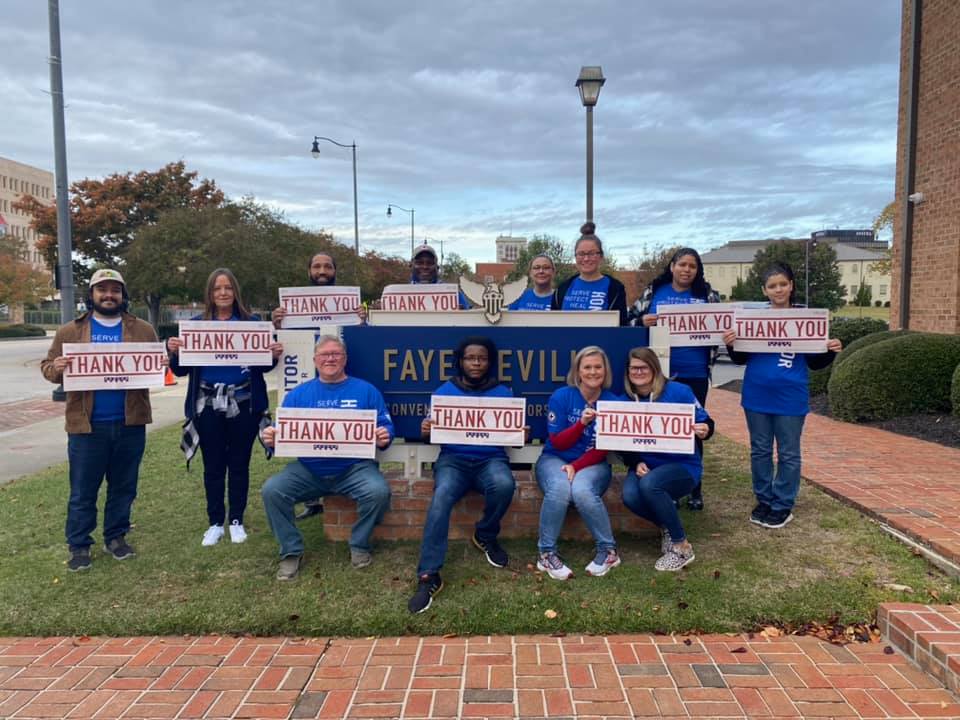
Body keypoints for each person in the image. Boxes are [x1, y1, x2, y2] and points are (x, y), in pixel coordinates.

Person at [41, 269, 163, 571]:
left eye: (115, 290)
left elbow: (154, 365)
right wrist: (56, 367)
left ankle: (116, 537)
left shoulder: (144, 330)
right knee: (83, 490)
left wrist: (162, 363)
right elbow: (48, 368)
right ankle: (79, 545)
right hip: (86, 427)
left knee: (124, 486)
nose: (109, 295)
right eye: (102, 290)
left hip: (130, 423)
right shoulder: (70, 331)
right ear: (91, 295)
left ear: (123, 296)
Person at [260, 335, 394, 581]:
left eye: (336, 354)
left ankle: (360, 544)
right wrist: (270, 437)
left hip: (355, 468)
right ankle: (291, 551)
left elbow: (386, 424)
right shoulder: (298, 394)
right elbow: (280, 432)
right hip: (309, 468)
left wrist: (385, 433)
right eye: (324, 354)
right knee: (272, 490)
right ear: (315, 360)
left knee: (378, 492)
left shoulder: (366, 390)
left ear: (345, 359)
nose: (330, 358)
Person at [167, 268, 282, 547]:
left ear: (235, 292)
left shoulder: (251, 323)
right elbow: (181, 371)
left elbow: (263, 366)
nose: (222, 293)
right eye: (217, 288)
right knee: (213, 465)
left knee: (239, 463)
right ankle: (216, 521)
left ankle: (236, 520)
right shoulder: (196, 326)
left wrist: (273, 353)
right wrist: (174, 353)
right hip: (206, 404)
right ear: (210, 293)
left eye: (228, 288)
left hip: (244, 402)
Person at [722, 263, 842, 529]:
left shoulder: (805, 319)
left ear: (791, 286)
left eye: (783, 284)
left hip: (790, 395)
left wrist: (831, 350)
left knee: (788, 453)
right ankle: (764, 499)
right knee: (760, 450)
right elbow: (741, 357)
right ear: (765, 290)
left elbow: (814, 362)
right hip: (756, 395)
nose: (778, 289)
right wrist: (731, 344)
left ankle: (783, 504)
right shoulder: (753, 319)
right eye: (772, 286)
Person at [408, 336, 518, 613]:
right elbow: (430, 434)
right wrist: (425, 431)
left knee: (505, 484)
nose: (476, 363)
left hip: (489, 459)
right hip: (453, 461)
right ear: (461, 360)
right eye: (471, 358)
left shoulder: (503, 393)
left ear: (489, 362)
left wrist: (520, 433)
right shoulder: (445, 391)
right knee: (442, 496)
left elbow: (513, 437)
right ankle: (429, 574)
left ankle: (485, 535)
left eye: (482, 358)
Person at [270, 251, 365, 522]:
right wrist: (277, 323)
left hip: (339, 373)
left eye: (327, 266)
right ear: (309, 271)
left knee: (337, 427)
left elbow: (363, 337)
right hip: (301, 372)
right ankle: (312, 497)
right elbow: (277, 343)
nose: (322, 270)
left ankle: (346, 481)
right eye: (316, 266)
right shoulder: (292, 306)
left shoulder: (347, 303)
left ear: (335, 271)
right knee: (305, 429)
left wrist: (362, 320)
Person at [631, 247, 720, 510]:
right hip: (659, 373)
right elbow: (628, 319)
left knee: (692, 429)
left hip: (695, 372)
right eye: (682, 264)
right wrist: (641, 322)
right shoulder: (653, 292)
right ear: (672, 266)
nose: (686, 270)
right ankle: (667, 484)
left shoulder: (708, 296)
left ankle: (694, 487)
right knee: (662, 428)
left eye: (692, 266)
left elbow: (725, 325)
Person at [619, 348, 714, 571]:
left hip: (683, 465)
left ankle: (682, 547)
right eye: (634, 368)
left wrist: (705, 429)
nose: (638, 372)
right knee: (630, 496)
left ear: (655, 368)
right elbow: (619, 439)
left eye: (644, 367)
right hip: (647, 464)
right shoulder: (623, 399)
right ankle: (668, 529)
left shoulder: (680, 391)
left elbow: (706, 421)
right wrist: (634, 462)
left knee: (651, 485)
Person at [535, 346, 621, 580]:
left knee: (582, 490)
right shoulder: (562, 396)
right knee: (560, 487)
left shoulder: (613, 401)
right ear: (578, 372)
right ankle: (546, 554)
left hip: (593, 463)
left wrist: (577, 466)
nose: (593, 372)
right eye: (587, 367)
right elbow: (559, 442)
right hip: (555, 459)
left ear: (605, 371)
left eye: (598, 367)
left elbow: (602, 448)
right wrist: (581, 423)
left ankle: (608, 551)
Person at [551, 222, 628, 325]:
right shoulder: (562, 289)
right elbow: (552, 327)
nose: (586, 259)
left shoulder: (615, 288)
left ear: (601, 256)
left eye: (592, 253)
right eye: (581, 254)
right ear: (575, 257)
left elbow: (622, 326)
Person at [410, 243, 471, 309]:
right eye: (420, 263)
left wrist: (463, 314)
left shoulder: (454, 294)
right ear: (411, 266)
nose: (425, 267)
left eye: (430, 263)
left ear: (437, 267)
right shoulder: (400, 294)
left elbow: (471, 317)